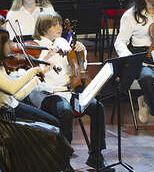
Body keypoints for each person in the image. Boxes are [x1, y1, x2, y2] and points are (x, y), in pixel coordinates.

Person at [0, 25, 74, 172]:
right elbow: (12, 88)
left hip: (6, 117)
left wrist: (38, 77)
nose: (11, 45)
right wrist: (33, 71)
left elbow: (17, 95)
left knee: (53, 132)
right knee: (50, 136)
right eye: (7, 42)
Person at [31, 11, 114, 172]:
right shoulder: (37, 46)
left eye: (59, 24)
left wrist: (80, 52)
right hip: (49, 94)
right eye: (54, 25)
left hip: (69, 92)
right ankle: (63, 160)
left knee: (97, 107)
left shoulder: (63, 42)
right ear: (43, 29)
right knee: (65, 112)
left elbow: (78, 67)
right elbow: (36, 74)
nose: (59, 27)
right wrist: (48, 55)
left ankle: (95, 156)